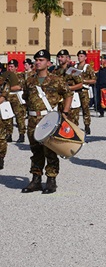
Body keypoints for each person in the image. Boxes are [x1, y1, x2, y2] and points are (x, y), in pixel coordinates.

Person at [21, 49, 74, 194]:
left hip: (49, 119)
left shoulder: (56, 79)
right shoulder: (29, 80)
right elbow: (25, 97)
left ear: (48, 62)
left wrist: (65, 112)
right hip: (33, 120)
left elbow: (68, 94)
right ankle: (36, 179)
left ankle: (51, 180)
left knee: (50, 150)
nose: (38, 62)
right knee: (36, 150)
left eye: (41, 60)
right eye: (36, 60)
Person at [53, 49, 84, 124]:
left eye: (62, 57)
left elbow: (80, 84)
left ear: (67, 58)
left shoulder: (73, 70)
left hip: (72, 101)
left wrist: (69, 88)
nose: (59, 58)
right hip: (60, 101)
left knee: (72, 124)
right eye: (59, 57)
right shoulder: (55, 71)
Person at [5, 59, 27, 143]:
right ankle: (9, 134)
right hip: (7, 98)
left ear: (16, 68)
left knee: (19, 117)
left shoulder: (20, 76)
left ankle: (21, 135)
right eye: (9, 66)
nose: (10, 68)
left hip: (17, 98)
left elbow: (19, 87)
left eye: (12, 67)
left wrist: (7, 88)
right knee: (8, 117)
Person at [75, 50, 95, 135]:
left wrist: (85, 81)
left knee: (85, 108)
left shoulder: (88, 67)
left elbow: (94, 80)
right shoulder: (75, 66)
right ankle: (75, 125)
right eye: (79, 56)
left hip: (84, 90)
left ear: (85, 57)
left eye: (82, 56)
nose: (80, 58)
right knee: (75, 109)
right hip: (75, 90)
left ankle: (87, 125)